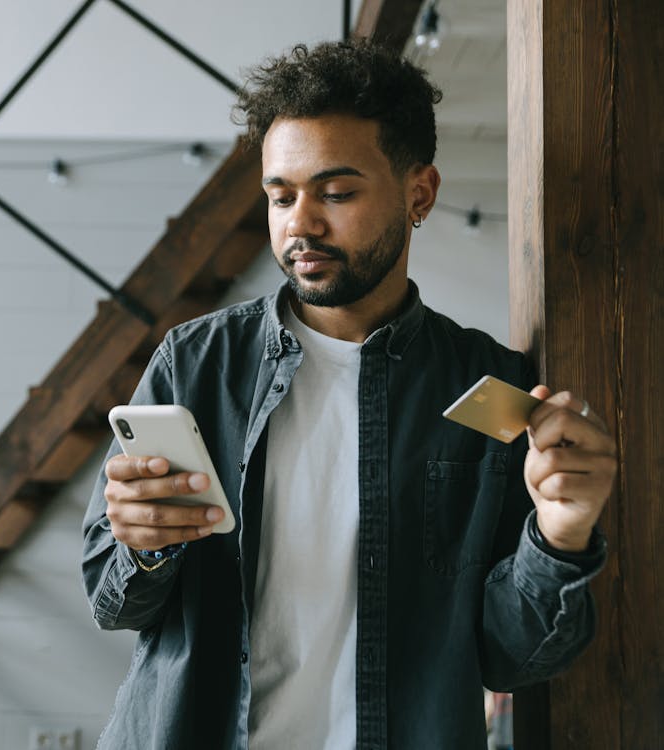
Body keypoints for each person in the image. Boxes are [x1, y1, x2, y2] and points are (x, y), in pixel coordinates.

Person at [81, 39, 615, 750]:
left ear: (417, 193)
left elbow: (509, 658)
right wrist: (141, 545)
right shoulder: (195, 363)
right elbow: (113, 603)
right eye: (280, 196)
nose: (299, 223)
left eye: (335, 193)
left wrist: (562, 532)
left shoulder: (492, 385)